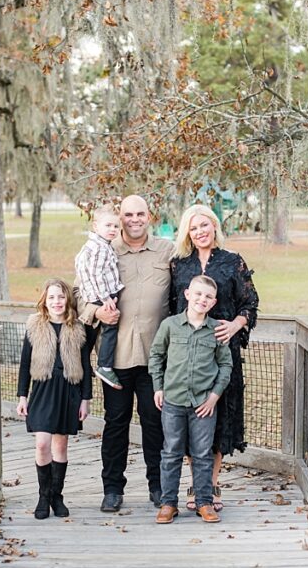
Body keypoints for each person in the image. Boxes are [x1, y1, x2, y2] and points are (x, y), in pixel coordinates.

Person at [75, 195, 174, 512]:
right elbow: (79, 292)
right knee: (116, 423)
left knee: (154, 424)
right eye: (127, 214)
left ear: (149, 216)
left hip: (155, 359)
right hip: (115, 360)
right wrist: (95, 313)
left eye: (140, 214)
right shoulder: (104, 248)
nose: (134, 219)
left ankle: (158, 487)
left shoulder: (167, 251)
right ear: (119, 218)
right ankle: (112, 489)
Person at [169, 204, 258, 511]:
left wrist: (236, 325)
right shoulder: (179, 265)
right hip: (189, 354)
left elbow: (250, 303)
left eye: (205, 225)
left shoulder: (233, 262)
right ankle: (197, 483)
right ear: (187, 233)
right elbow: (171, 308)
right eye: (194, 228)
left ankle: (211, 485)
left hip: (222, 352)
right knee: (193, 416)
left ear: (215, 226)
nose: (200, 231)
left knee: (217, 419)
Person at [150, 274, 233, 524]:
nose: (202, 299)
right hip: (173, 400)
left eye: (208, 296)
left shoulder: (216, 329)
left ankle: (204, 502)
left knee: (202, 453)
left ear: (214, 302)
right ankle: (168, 503)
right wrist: (158, 387)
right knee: (171, 452)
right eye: (197, 294)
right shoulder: (170, 325)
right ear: (187, 294)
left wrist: (213, 398)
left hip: (203, 405)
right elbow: (156, 355)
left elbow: (225, 365)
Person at [16, 279, 94, 520]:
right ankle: (43, 495)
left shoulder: (78, 329)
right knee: (42, 444)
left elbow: (85, 365)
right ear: (45, 301)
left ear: (67, 300)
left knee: (60, 445)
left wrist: (85, 399)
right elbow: (25, 363)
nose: (57, 302)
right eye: (52, 297)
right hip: (42, 390)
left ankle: (56, 496)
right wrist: (22, 395)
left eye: (61, 297)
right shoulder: (35, 327)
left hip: (68, 391)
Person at [74, 204, 124, 389]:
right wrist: (105, 298)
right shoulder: (100, 248)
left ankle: (84, 368)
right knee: (110, 328)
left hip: (96, 295)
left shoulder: (94, 245)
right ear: (96, 226)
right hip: (101, 296)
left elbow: (79, 264)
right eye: (108, 225)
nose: (113, 230)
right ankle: (104, 366)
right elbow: (95, 274)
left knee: (89, 336)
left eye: (116, 226)